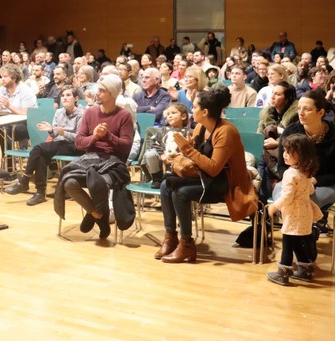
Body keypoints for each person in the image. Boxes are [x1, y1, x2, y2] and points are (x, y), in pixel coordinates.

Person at [156, 86, 256, 263]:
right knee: (166, 185)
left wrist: (187, 149)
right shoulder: (200, 127)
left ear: (205, 112)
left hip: (227, 183)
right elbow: (198, 161)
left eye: (194, 107)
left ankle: (186, 243)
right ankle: (171, 237)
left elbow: (214, 168)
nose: (191, 109)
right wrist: (188, 149)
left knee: (180, 192)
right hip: (205, 178)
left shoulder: (226, 131)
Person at [53, 74, 135, 240]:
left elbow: (126, 146)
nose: (96, 93)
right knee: (68, 182)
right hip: (90, 159)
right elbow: (79, 143)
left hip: (113, 162)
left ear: (112, 94)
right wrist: (95, 137)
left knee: (98, 183)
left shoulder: (124, 115)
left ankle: (95, 214)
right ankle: (98, 215)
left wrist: (108, 136)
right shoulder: (90, 113)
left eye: (102, 91)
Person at [274, 91, 335, 240]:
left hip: (323, 185)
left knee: (304, 201)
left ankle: (302, 235)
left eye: (307, 109)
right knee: (283, 196)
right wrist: (294, 179)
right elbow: (281, 166)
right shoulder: (291, 131)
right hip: (292, 181)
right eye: (299, 108)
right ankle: (303, 234)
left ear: (321, 113)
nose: (301, 113)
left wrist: (313, 180)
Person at [6, 87, 83, 206]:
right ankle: (40, 193)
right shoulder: (59, 112)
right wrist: (51, 130)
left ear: (76, 98)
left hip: (74, 146)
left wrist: (64, 133)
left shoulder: (82, 114)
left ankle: (25, 180)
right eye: (63, 96)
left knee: (38, 148)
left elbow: (80, 138)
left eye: (68, 95)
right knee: (41, 156)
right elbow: (55, 135)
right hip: (60, 143)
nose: (64, 98)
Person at [266, 134, 324, 286]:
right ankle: (305, 269)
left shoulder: (290, 173)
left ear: (301, 154)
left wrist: (274, 206)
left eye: (289, 152)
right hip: (304, 213)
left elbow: (287, 196)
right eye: (284, 151)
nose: (285, 154)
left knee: (288, 243)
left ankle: (283, 273)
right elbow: (310, 190)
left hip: (293, 214)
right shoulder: (305, 171)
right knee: (297, 241)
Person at [138, 103, 192, 187]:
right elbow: (153, 142)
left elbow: (192, 147)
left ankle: (177, 178)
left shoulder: (189, 132)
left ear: (183, 116)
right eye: (168, 114)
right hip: (164, 160)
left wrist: (182, 154)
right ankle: (157, 179)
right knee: (150, 154)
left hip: (180, 163)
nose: (170, 116)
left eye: (173, 113)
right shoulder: (163, 130)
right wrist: (162, 154)